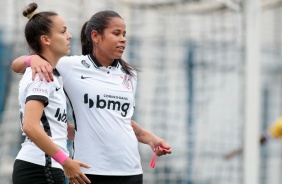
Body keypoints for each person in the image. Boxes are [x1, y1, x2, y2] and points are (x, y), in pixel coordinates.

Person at [12, 10, 172, 184]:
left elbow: (121, 120)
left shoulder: (129, 75)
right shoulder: (69, 66)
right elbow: (19, 66)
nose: (123, 39)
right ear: (95, 36)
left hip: (130, 169)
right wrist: (32, 60)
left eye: (124, 34)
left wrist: (151, 139)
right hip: (89, 170)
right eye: (116, 33)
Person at [12, 3, 91, 184]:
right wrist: (66, 162)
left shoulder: (50, 72)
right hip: (40, 168)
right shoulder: (42, 75)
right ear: (46, 40)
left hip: (42, 166)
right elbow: (30, 126)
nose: (69, 36)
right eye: (63, 31)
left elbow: (53, 128)